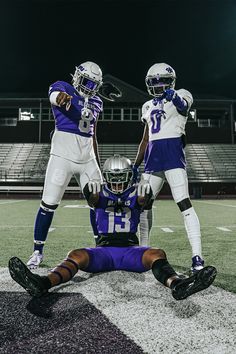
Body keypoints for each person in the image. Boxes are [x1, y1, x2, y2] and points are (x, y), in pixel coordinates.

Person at [9, 155, 217, 300]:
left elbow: (143, 201)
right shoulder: (98, 192)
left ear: (130, 177)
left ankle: (179, 285)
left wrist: (146, 194)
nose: (117, 184)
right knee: (76, 254)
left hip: (131, 251)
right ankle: (42, 283)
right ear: (105, 177)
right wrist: (93, 193)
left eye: (121, 179)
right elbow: (93, 200)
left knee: (157, 253)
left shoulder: (139, 192)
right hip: (103, 251)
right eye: (112, 179)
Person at [27, 61, 104, 269]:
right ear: (77, 77)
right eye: (86, 81)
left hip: (87, 157)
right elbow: (54, 95)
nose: (89, 87)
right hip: (63, 154)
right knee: (49, 203)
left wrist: (96, 158)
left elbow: (93, 132)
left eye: (93, 84)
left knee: (100, 202)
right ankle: (37, 252)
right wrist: (60, 98)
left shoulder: (97, 101)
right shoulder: (64, 87)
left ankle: (101, 245)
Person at [133, 63, 204, 273]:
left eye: (160, 81)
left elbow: (183, 105)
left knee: (184, 203)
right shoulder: (147, 106)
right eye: (153, 82)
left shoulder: (181, 94)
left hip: (173, 156)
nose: (157, 85)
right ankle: (143, 250)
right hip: (152, 160)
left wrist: (173, 97)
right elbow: (146, 139)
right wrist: (136, 164)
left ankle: (197, 256)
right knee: (143, 204)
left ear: (170, 81)